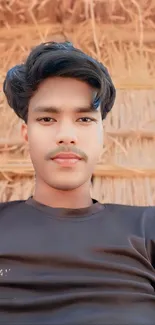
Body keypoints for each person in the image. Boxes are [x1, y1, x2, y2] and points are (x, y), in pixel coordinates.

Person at [1, 41, 155, 325]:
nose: (67, 135)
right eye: (47, 118)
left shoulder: (147, 228)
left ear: (102, 133)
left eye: (84, 118)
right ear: (26, 133)